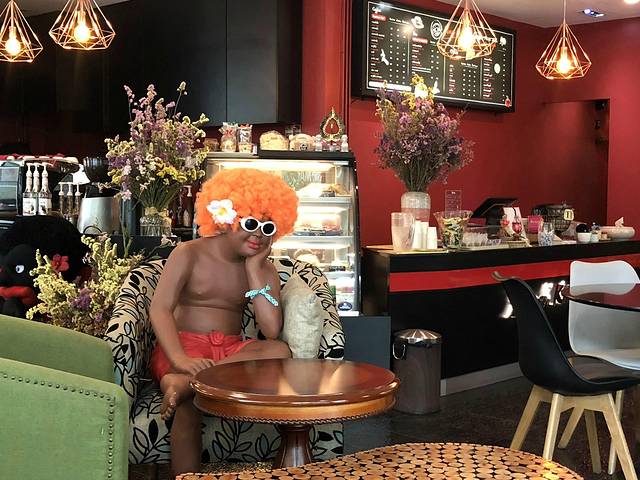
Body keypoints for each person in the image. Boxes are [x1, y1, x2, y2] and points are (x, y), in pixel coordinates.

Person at [149, 168, 299, 476]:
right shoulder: (188, 253)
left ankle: (187, 383)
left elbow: (271, 330)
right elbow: (160, 309)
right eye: (250, 224)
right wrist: (180, 359)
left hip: (229, 353)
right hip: (184, 346)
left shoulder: (264, 269)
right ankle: (181, 384)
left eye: (267, 228)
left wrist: (255, 271)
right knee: (188, 405)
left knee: (279, 350)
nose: (258, 235)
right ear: (226, 219)